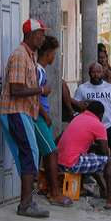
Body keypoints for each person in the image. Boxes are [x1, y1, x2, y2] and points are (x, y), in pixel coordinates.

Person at [0, 18, 52, 218]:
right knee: (30, 152)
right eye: (40, 34)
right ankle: (25, 204)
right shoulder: (20, 55)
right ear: (30, 35)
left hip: (22, 111)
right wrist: (41, 90)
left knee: (29, 154)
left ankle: (27, 201)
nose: (42, 38)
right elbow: (16, 89)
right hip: (14, 110)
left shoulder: (29, 56)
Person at [56, 100, 111, 210]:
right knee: (110, 161)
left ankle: (103, 190)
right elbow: (105, 153)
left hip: (60, 162)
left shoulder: (77, 118)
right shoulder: (98, 125)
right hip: (72, 163)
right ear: (101, 115)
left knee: (92, 158)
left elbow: (60, 139)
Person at [36, 36, 74, 207]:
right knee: (52, 152)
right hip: (38, 118)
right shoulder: (38, 71)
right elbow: (34, 97)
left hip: (41, 117)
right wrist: (45, 115)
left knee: (45, 152)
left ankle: (44, 186)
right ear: (49, 53)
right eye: (54, 54)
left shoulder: (40, 70)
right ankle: (54, 192)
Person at [72, 63, 111, 157]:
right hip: (90, 128)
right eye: (93, 72)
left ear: (102, 73)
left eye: (98, 72)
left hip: (109, 124)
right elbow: (76, 106)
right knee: (92, 152)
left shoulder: (109, 87)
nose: (96, 75)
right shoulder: (82, 89)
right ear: (89, 73)